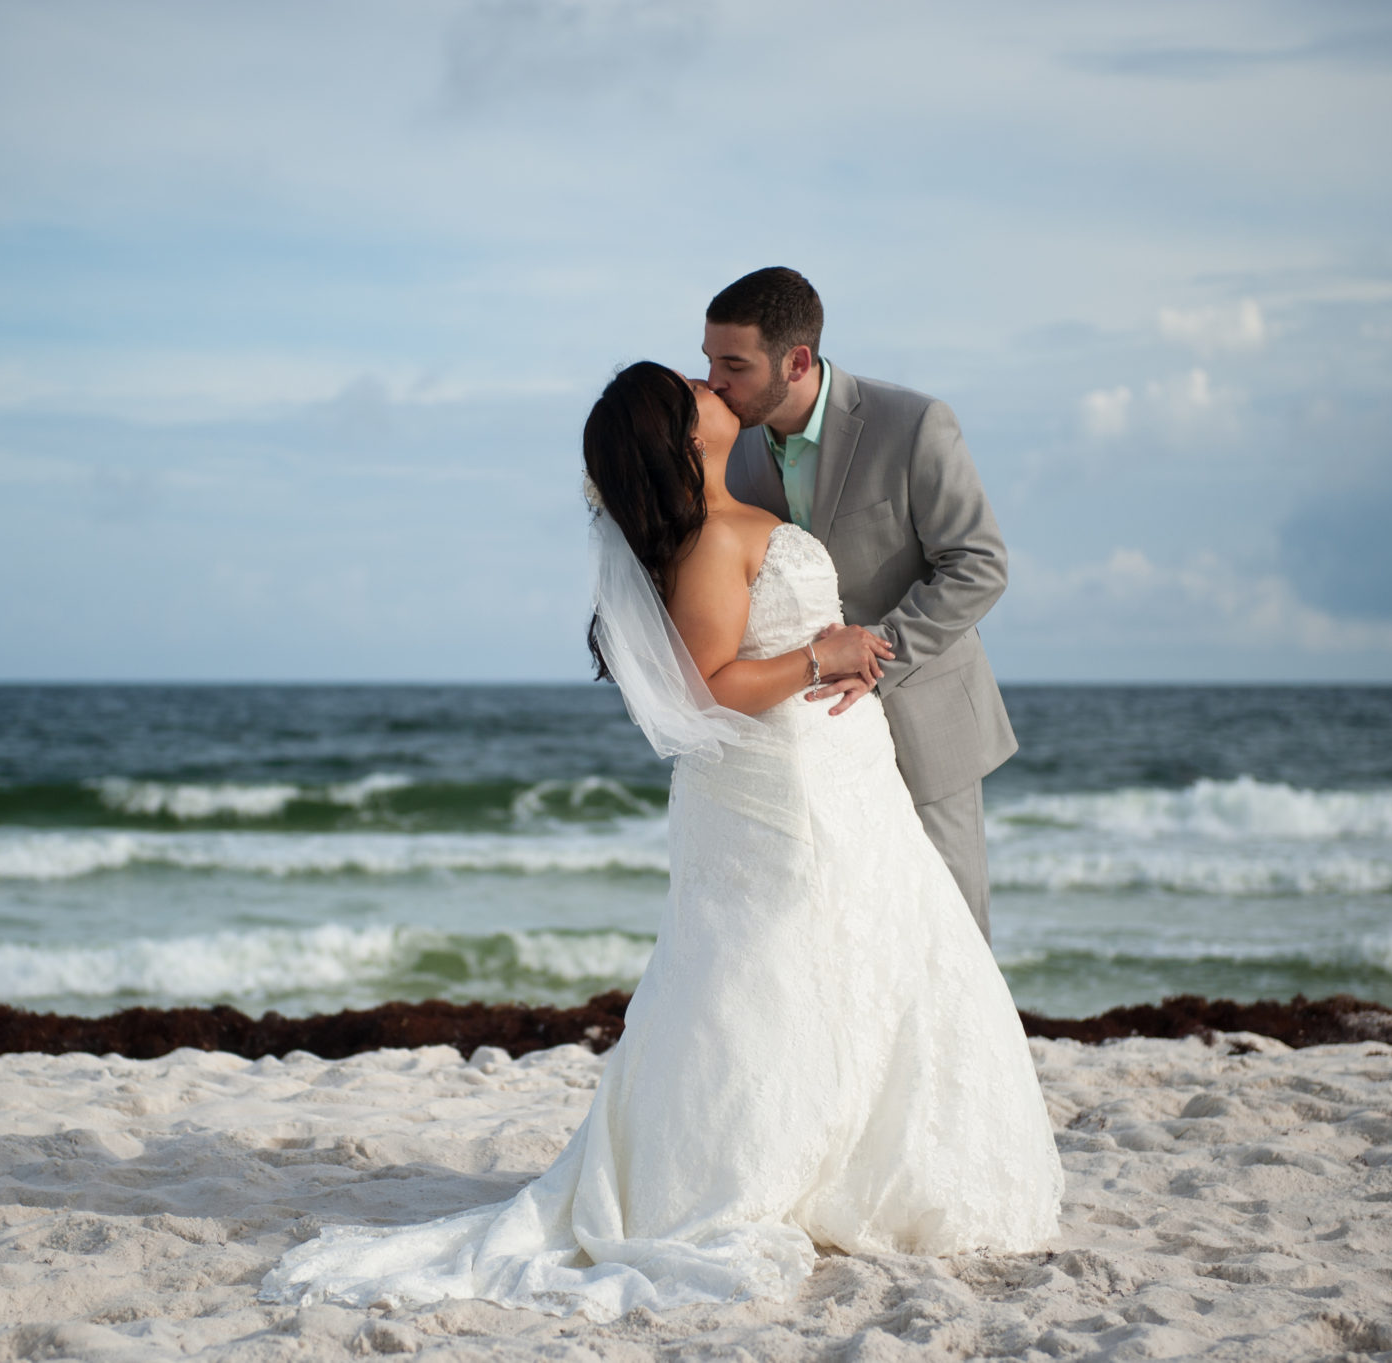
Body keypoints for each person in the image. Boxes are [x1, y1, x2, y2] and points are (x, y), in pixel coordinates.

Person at [258, 361, 1062, 1321]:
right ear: (684, 439)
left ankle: (848, 1167)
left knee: (865, 957)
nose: (709, 385)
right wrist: (822, 654)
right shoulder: (714, 540)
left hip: (842, 776)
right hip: (784, 789)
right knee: (768, 972)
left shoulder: (736, 510)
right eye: (695, 391)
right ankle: (754, 1167)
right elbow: (705, 686)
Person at [706, 268, 1013, 942]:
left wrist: (876, 651)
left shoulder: (914, 424)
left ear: (797, 360)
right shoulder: (734, 452)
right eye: (709, 361)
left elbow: (980, 562)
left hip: (925, 717)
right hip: (816, 741)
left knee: (951, 928)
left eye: (734, 364)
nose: (716, 381)